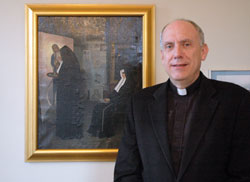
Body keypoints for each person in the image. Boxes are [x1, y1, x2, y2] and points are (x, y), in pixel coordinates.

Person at [114, 19, 250, 182]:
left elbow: (244, 174)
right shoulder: (139, 103)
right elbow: (126, 173)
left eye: (186, 44)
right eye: (169, 46)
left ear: (203, 51)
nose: (177, 54)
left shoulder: (237, 100)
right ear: (163, 55)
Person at [55, 45, 83, 140]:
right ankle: (67, 131)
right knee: (68, 113)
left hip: (68, 94)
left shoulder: (69, 66)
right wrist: (60, 63)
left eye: (61, 55)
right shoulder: (67, 64)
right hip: (68, 94)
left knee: (68, 113)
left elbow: (65, 80)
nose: (60, 57)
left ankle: (68, 133)